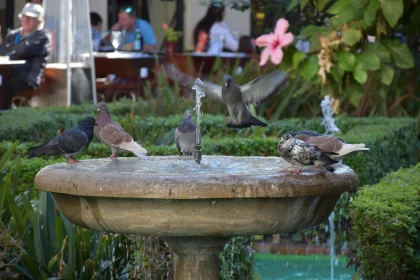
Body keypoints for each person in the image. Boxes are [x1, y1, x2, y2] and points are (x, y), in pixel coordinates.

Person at [0, 3, 51, 110]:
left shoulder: (43, 37)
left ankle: (4, 117)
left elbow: (24, 50)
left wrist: (13, 50)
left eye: (31, 18)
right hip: (7, 74)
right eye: (24, 17)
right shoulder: (13, 35)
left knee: (4, 88)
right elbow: (2, 51)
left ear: (39, 20)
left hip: (27, 78)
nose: (26, 20)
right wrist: (16, 50)